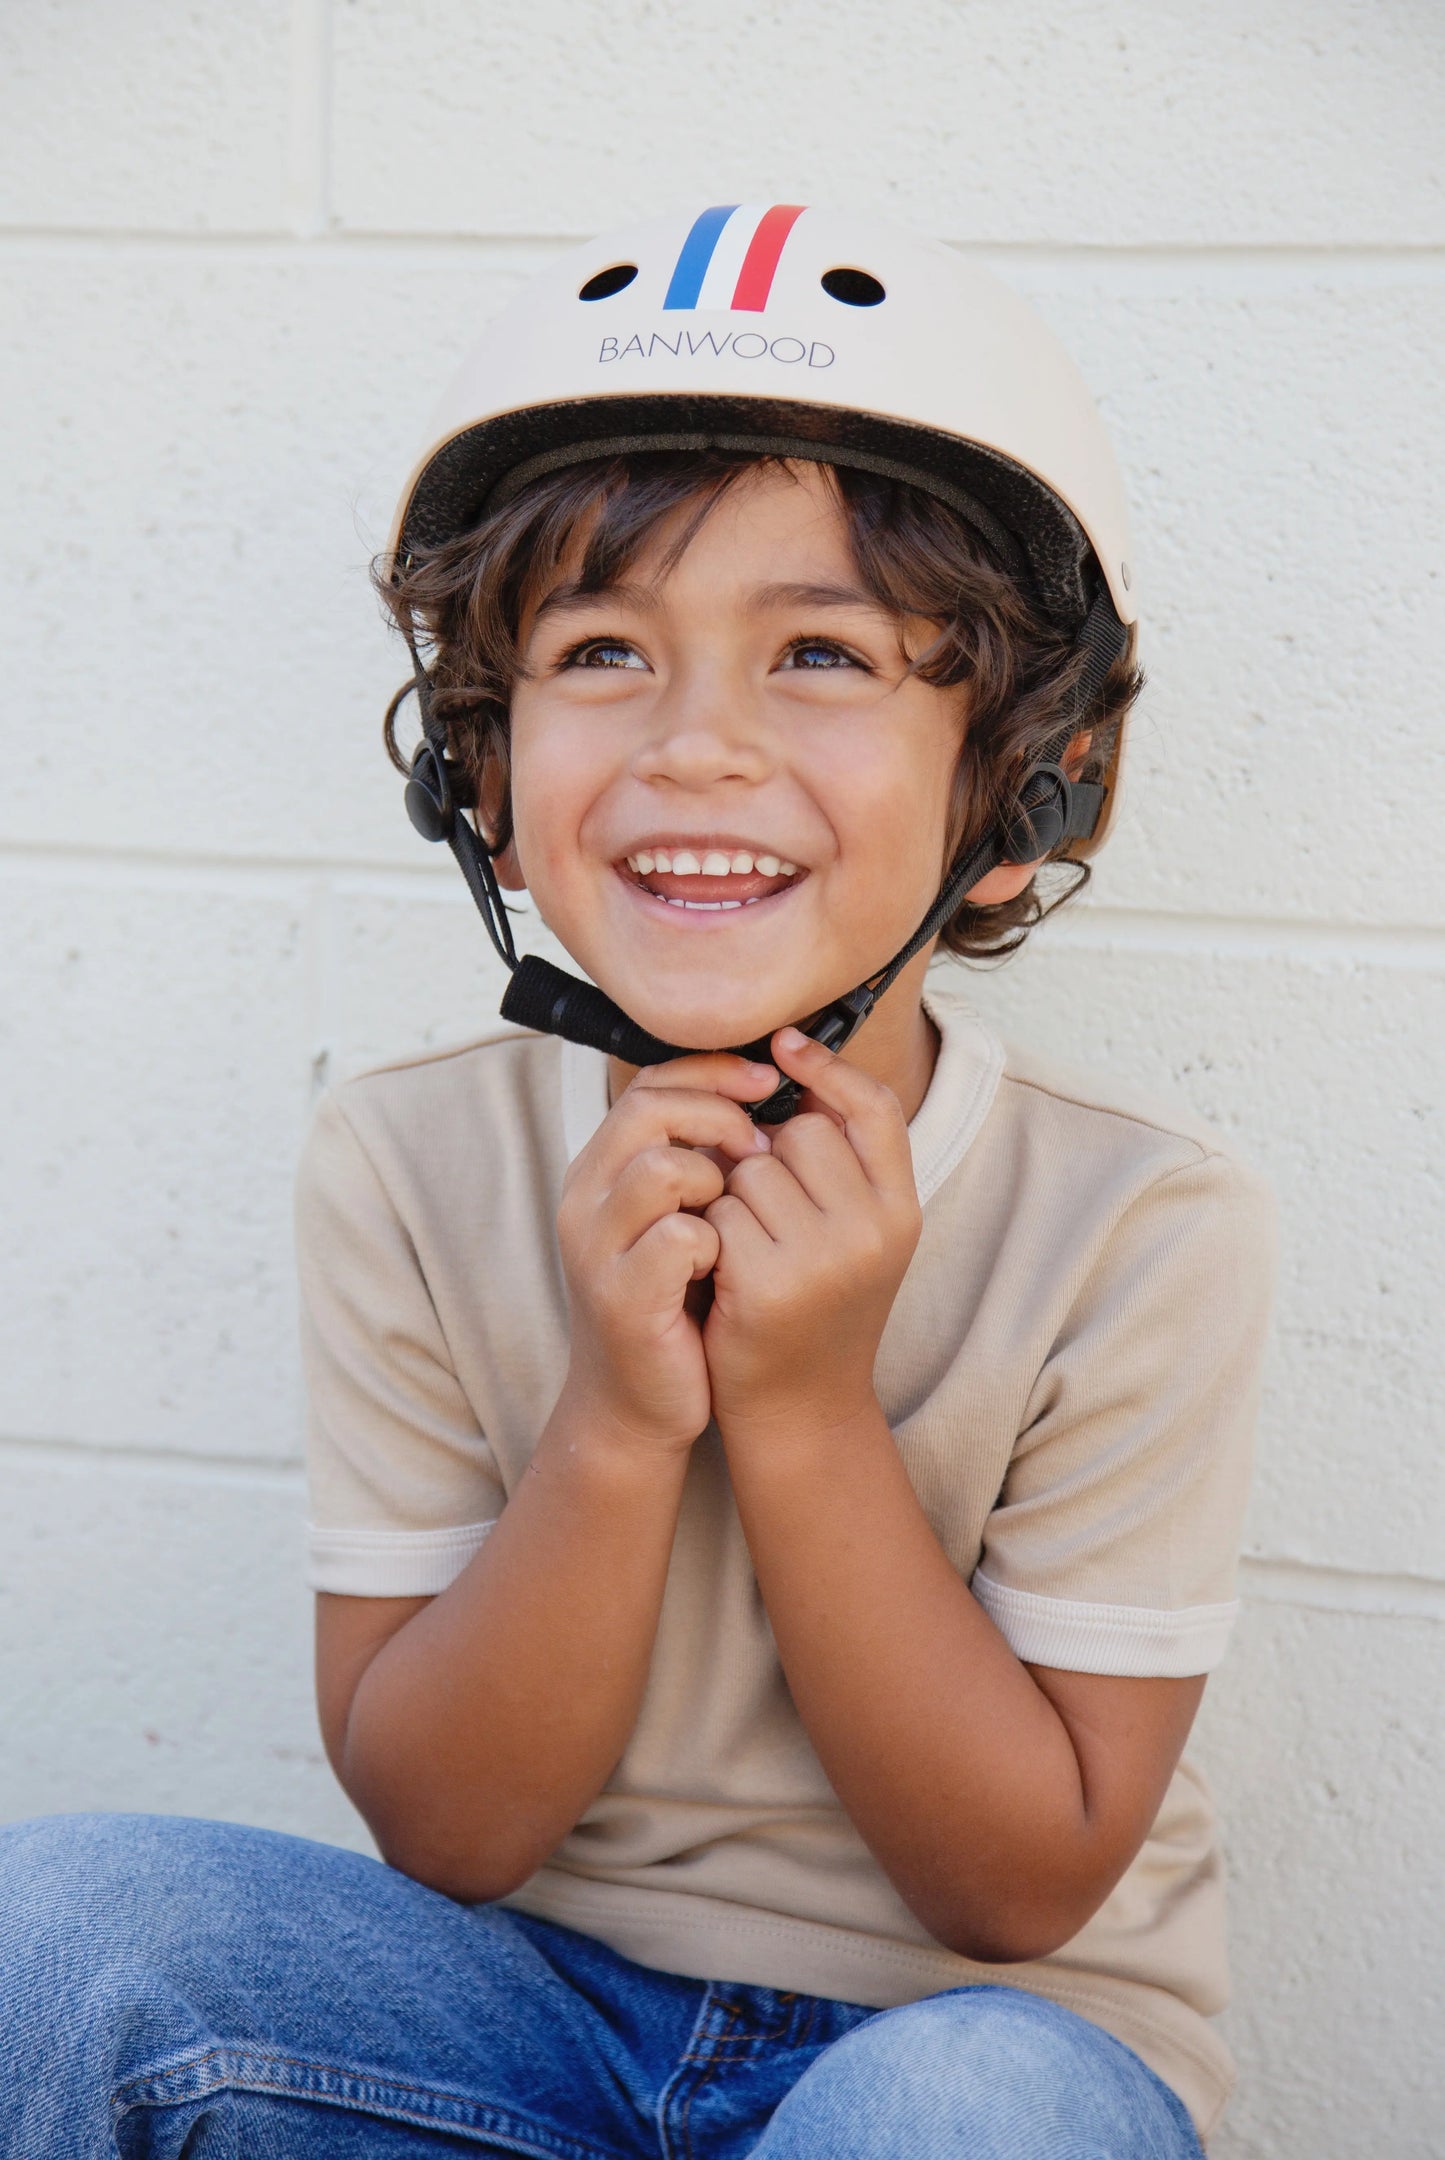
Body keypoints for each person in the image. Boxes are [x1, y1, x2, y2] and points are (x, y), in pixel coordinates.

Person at [0, 205, 1274, 2158]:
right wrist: (611, 1419)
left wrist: (800, 1402)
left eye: (822, 655)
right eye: (605, 651)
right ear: (481, 775)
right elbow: (446, 1825)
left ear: (1026, 793)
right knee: (58, 1927)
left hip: (976, 2029)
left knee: (969, 2109)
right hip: (529, 2018)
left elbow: (1020, 1889)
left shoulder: (1138, 1229)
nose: (699, 746)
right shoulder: (409, 1161)